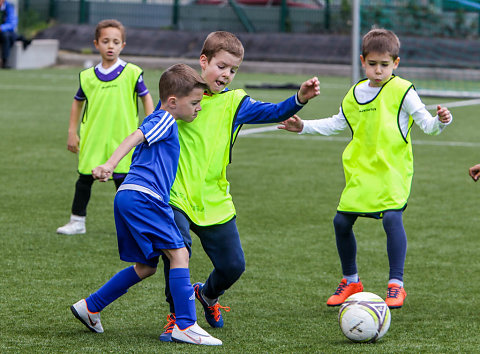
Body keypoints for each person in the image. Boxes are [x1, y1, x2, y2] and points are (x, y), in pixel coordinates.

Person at [158, 31, 320, 341]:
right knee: (179, 253)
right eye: (221, 66)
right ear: (203, 61)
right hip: (175, 193)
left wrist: (299, 99)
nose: (226, 75)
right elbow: (152, 128)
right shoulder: (183, 94)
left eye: (233, 70)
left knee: (233, 266)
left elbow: (272, 112)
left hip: (214, 196)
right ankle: (177, 317)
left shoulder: (235, 101)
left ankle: (206, 295)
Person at [278, 28, 452, 309]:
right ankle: (351, 280)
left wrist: (442, 120)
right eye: (372, 64)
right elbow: (337, 123)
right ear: (363, 61)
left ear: (396, 63)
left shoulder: (403, 90)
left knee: (392, 219)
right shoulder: (355, 92)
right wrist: (303, 127)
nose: (378, 70)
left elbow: (429, 127)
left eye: (385, 65)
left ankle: (396, 285)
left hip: (392, 171)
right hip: (360, 171)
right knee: (341, 222)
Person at [70, 63, 222, 346]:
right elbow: (135, 135)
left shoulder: (167, 121)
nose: (198, 107)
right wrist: (110, 163)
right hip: (144, 197)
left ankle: (91, 306)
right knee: (179, 255)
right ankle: (186, 325)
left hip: (128, 195)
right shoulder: (164, 118)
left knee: (146, 266)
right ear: (174, 102)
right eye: (195, 102)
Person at [57, 19, 154, 235]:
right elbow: (77, 102)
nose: (111, 46)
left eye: (116, 42)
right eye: (106, 41)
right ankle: (77, 221)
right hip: (93, 137)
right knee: (84, 179)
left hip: (123, 137)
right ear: (96, 44)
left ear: (123, 46)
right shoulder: (87, 76)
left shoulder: (132, 72)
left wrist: (150, 125)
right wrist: (72, 132)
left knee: (124, 184)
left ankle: (132, 226)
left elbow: (146, 98)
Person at [0, 0, 30, 68]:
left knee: (7, 35)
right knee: (8, 36)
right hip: (5, 33)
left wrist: (1, 28)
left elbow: (12, 23)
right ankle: (22, 39)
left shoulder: (8, 7)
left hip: (5, 32)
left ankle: (5, 61)